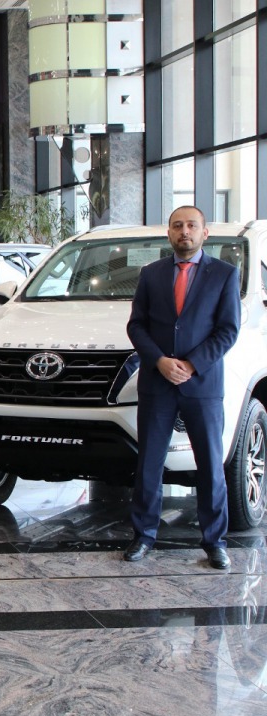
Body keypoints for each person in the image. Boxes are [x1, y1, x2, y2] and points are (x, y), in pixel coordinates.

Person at [125, 206, 239, 569]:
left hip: (202, 384)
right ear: (169, 233)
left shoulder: (224, 274)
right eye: (177, 225)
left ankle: (215, 542)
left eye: (191, 225)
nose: (184, 231)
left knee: (210, 465)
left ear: (205, 233)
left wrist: (191, 365)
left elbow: (228, 330)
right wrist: (159, 360)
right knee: (149, 464)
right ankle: (143, 536)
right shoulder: (151, 274)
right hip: (157, 383)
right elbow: (136, 325)